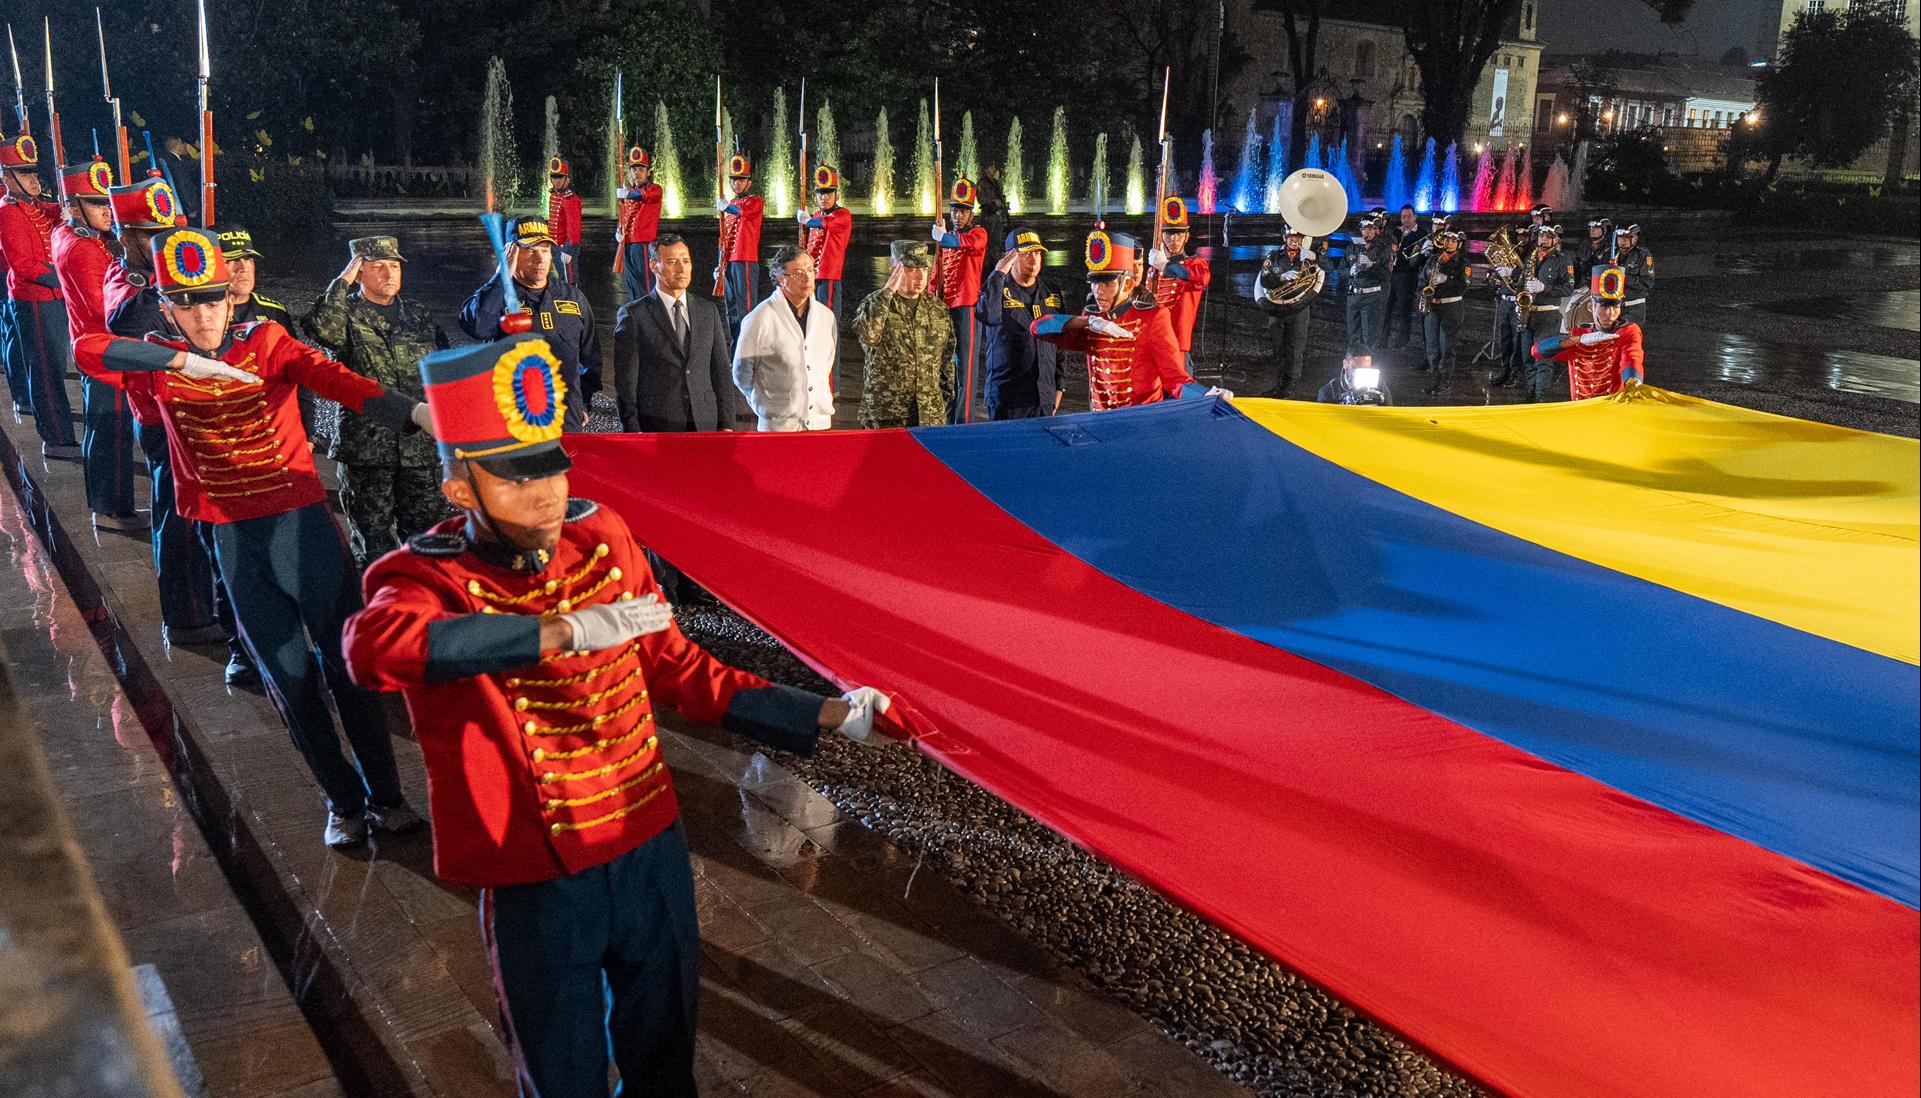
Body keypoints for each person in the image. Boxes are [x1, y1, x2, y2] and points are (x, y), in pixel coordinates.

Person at [341, 332, 890, 1098]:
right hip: (538, 868)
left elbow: (676, 667)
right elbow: (374, 649)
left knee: (664, 1051)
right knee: (562, 1073)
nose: (546, 496)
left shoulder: (601, 535)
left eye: (550, 470)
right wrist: (556, 632)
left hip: (645, 838)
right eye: (513, 479)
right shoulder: (422, 576)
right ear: (461, 488)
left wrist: (829, 715)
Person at [76, 226, 433, 848]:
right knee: (289, 681)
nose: (206, 314)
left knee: (347, 668)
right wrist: (182, 358)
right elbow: (85, 348)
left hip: (302, 528)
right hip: (234, 540)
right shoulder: (156, 367)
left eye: (215, 300)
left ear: (231, 300)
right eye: (189, 304)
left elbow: (338, 380)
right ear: (167, 308)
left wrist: (416, 411)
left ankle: (388, 795)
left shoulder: (265, 341)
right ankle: (343, 801)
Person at [103, 173, 227, 651]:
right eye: (154, 237)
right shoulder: (127, 281)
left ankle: (212, 600)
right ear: (126, 236)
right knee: (178, 516)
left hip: (199, 406)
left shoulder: (166, 277)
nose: (165, 244)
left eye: (170, 233)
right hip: (160, 413)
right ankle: (188, 615)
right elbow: (125, 320)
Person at [305, 235, 454, 567]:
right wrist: (341, 281)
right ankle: (377, 608)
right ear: (359, 273)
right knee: (372, 542)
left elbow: (442, 369)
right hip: (367, 451)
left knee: (427, 539)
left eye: (395, 265)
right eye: (378, 266)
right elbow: (320, 329)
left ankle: (424, 607)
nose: (389, 273)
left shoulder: (419, 314)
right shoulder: (345, 314)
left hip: (419, 450)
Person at [1033, 229, 1222, 410]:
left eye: (1107, 283)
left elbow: (1174, 379)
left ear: (1128, 283)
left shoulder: (1153, 317)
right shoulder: (1092, 316)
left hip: (1140, 421)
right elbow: (1038, 328)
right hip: (1102, 421)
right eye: (1095, 283)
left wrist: (1205, 395)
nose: (1099, 291)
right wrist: (1086, 322)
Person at [52, 158, 143, 531]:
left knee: (101, 428)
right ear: (74, 208)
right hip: (107, 350)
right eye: (96, 203)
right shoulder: (85, 250)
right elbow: (105, 307)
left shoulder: (69, 235)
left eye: (108, 201)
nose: (108, 209)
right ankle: (113, 507)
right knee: (112, 430)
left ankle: (105, 500)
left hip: (92, 345)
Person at [460, 215, 601, 429]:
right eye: (530, 250)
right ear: (511, 253)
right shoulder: (498, 296)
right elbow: (478, 327)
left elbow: (591, 357)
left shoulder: (571, 296)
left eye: (545, 250)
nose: (540, 259)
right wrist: (502, 276)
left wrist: (583, 402)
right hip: (514, 424)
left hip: (565, 420)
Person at [0, 134, 80, 460]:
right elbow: (24, 266)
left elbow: (55, 212)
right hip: (34, 299)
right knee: (46, 370)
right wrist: (65, 276)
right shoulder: (8, 212)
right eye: (25, 174)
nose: (34, 179)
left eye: (34, 173)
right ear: (7, 178)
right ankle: (57, 438)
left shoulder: (31, 206)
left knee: (55, 367)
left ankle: (58, 429)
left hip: (53, 296)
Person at [613, 234, 734, 434]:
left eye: (686, 261)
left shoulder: (707, 311)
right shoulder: (634, 315)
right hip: (657, 425)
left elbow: (720, 372)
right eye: (671, 262)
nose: (681, 269)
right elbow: (626, 383)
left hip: (705, 423)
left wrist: (727, 425)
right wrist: (633, 432)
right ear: (654, 266)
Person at [733, 246, 836, 432]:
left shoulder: (826, 316)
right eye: (798, 273)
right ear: (781, 278)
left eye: (810, 270)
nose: (807, 277)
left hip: (820, 425)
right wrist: (767, 403)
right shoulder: (760, 318)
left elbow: (827, 362)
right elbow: (742, 373)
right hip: (778, 426)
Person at [852, 240, 952, 428]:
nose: (920, 276)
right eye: (911, 269)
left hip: (928, 414)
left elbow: (947, 358)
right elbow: (868, 335)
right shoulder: (875, 304)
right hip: (886, 413)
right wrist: (888, 290)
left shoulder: (937, 308)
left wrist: (942, 399)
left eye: (923, 269)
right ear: (894, 271)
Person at [974, 230, 1066, 419]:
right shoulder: (998, 290)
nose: (1033, 260)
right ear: (1010, 258)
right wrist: (999, 273)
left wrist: (1059, 387)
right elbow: (987, 315)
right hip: (1008, 399)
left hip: (1043, 398)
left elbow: (1061, 342)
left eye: (1037, 253)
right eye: (1026, 254)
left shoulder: (1051, 294)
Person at [1533, 264, 1645, 400]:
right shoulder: (1579, 332)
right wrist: (1577, 339)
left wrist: (1633, 383)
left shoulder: (1627, 331)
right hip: (1581, 411)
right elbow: (1538, 352)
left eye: (1615, 306)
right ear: (1591, 306)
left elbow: (1632, 358)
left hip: (1612, 409)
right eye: (1603, 306)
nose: (1610, 313)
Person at [932, 177, 989, 423]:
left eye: (963, 210)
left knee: (965, 365)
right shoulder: (946, 236)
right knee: (946, 365)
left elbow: (965, 244)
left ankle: (964, 418)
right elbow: (938, 270)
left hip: (966, 305)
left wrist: (942, 238)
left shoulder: (978, 233)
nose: (958, 215)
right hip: (945, 305)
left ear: (971, 213)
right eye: (955, 209)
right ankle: (948, 414)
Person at [1252, 226, 1324, 398]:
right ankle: (1279, 384)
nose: (1294, 241)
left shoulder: (1309, 256)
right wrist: (1281, 278)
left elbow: (1328, 268)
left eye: (1298, 238)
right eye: (1291, 238)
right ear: (1285, 238)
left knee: (1295, 349)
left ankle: (1289, 388)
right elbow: (1264, 279)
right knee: (1279, 348)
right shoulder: (1274, 256)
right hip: (1277, 310)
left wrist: (1315, 256)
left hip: (1299, 310)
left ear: (1303, 240)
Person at [798, 164, 853, 387]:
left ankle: (832, 385)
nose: (825, 197)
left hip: (829, 280)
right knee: (811, 330)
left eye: (829, 192)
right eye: (821, 193)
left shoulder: (842, 215)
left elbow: (826, 224)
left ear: (836, 194)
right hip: (812, 281)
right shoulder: (817, 215)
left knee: (828, 332)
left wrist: (807, 220)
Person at [1517, 225, 1579, 402]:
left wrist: (1544, 288)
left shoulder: (1563, 261)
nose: (1542, 239)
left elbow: (1568, 288)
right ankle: (1529, 394)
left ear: (1555, 240)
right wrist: (1517, 298)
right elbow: (1520, 283)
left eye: (1547, 236)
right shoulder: (1531, 257)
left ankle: (1540, 399)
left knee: (1542, 358)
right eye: (1540, 236)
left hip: (1548, 315)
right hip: (1528, 313)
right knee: (1527, 357)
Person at [1148, 196, 1211, 371]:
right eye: (1168, 232)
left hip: (1177, 345)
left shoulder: (1195, 264)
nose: (1174, 238)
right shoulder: (1152, 270)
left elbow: (1201, 279)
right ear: (1161, 235)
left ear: (1187, 236)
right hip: (1151, 343)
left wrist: (1165, 266)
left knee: (1180, 397)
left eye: (1179, 233)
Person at [715, 152, 764, 345]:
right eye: (734, 180)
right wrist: (720, 264)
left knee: (747, 307)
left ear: (749, 182)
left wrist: (726, 207)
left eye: (741, 180)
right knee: (732, 308)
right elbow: (724, 237)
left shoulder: (755, 201)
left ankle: (750, 346)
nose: (737, 184)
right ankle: (737, 344)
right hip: (729, 262)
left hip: (745, 259)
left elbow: (742, 213)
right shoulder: (731, 204)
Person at [1418, 229, 1470, 396]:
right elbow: (1422, 280)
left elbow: (1464, 286)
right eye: (1446, 240)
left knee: (1447, 346)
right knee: (1432, 347)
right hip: (1433, 306)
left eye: (1453, 241)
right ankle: (1434, 379)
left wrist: (1447, 280)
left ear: (1459, 244)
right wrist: (1422, 294)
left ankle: (1445, 380)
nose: (1448, 243)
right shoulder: (1434, 259)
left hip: (1451, 307)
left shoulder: (1463, 262)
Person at [614, 146, 663, 304]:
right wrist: (618, 231)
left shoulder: (655, 190)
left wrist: (628, 194)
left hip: (644, 244)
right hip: (628, 244)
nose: (637, 173)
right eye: (633, 169)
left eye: (641, 169)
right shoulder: (627, 194)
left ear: (648, 172)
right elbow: (624, 217)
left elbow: (645, 196)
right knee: (633, 286)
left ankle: (651, 320)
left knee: (647, 286)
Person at [1343, 212, 1391, 359]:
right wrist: (1349, 272)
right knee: (1352, 337)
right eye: (1364, 228)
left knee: (1369, 339)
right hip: (1354, 296)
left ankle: (1366, 371)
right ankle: (1350, 368)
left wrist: (1372, 265)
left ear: (1376, 230)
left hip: (1371, 297)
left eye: (1371, 229)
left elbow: (1386, 276)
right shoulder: (1352, 247)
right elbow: (1340, 270)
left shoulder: (1383, 249)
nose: (1367, 232)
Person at [1384, 204, 1426, 351]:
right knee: (1386, 308)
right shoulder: (1396, 232)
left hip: (1408, 276)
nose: (1405, 220)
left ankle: (1402, 340)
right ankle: (1383, 339)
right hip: (1392, 274)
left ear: (1415, 217)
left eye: (1409, 216)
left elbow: (1421, 259)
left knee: (1404, 309)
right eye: (1403, 217)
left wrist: (1417, 253)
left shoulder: (1422, 234)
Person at [546, 156, 583, 285]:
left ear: (567, 179)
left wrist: (568, 250)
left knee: (570, 281)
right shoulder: (554, 196)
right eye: (554, 177)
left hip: (566, 248)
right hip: (555, 246)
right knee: (563, 279)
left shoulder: (571, 199)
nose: (556, 181)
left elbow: (574, 229)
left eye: (560, 177)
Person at [1617, 224, 1654, 328]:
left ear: (1635, 238)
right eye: (1620, 237)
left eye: (1626, 238)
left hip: (1633, 307)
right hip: (1612, 307)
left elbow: (1647, 284)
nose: (1622, 241)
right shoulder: (1611, 253)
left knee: (1630, 339)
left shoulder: (1643, 255)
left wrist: (1622, 276)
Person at [1317, 355, 1393, 405]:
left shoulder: (1379, 384)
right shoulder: (1330, 389)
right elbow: (1323, 419)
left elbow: (1389, 412)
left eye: (1366, 369)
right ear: (1345, 364)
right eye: (1356, 368)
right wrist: (1349, 398)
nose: (1360, 372)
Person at [976, 164, 1009, 262]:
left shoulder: (995, 182)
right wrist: (993, 201)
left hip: (997, 215)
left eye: (994, 167)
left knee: (997, 241)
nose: (994, 169)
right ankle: (985, 263)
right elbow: (980, 199)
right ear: (986, 169)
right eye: (991, 167)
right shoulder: (982, 182)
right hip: (988, 215)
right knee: (987, 240)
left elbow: (1001, 196)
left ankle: (995, 262)